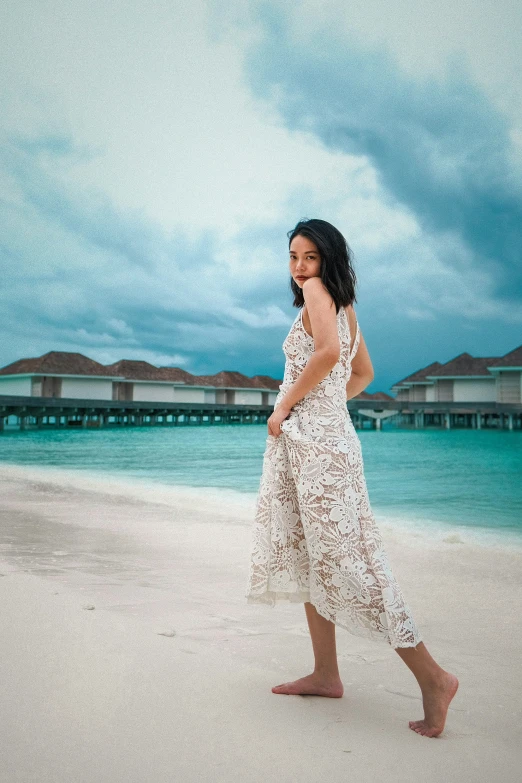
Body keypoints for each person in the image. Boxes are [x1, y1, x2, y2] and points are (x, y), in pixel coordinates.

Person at [245, 218, 459, 738]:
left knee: (354, 564)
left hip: (316, 447)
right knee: (312, 556)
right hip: (321, 441)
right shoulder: (344, 307)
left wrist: (288, 408)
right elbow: (361, 375)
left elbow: (329, 356)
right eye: (293, 257)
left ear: (329, 260)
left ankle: (433, 678)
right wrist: (320, 407)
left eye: (310, 257)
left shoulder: (320, 293)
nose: (300, 268)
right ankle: (325, 673)